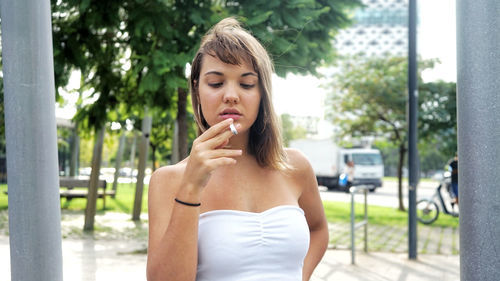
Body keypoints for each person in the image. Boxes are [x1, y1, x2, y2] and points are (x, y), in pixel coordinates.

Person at [146, 17, 329, 281]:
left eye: (246, 84)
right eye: (216, 83)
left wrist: (300, 276)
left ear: (262, 93)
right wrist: (191, 187)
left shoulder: (294, 166)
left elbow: (318, 229)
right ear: (197, 90)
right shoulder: (169, 180)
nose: (231, 95)